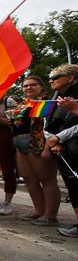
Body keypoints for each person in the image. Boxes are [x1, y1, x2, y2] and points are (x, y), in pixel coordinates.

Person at [12, 76, 60, 225]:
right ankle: (39, 211)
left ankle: (50, 215)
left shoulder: (47, 102)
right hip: (20, 143)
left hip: (38, 143)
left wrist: (48, 147)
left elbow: (52, 125)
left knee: (47, 179)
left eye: (33, 85)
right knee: (29, 179)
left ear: (41, 87)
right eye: (25, 86)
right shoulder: (23, 104)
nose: (28, 88)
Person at [43, 64, 78, 237]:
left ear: (70, 78)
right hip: (60, 148)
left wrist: (59, 137)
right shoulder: (56, 96)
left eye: (55, 76)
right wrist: (52, 140)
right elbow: (48, 121)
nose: (51, 80)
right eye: (50, 77)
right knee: (72, 185)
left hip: (74, 144)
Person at [0, 95, 18, 215]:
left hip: (4, 136)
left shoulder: (9, 101)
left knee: (7, 168)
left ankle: (7, 203)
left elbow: (16, 122)